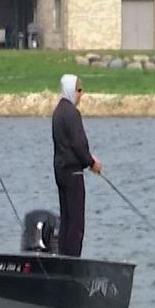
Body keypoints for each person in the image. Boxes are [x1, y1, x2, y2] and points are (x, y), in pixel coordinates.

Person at [52, 73, 101, 257]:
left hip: (60, 171)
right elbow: (79, 145)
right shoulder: (72, 113)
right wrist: (91, 162)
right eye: (79, 91)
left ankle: (63, 255)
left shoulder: (58, 112)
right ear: (71, 91)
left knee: (66, 218)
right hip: (73, 173)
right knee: (76, 221)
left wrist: (86, 158)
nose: (81, 95)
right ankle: (72, 258)